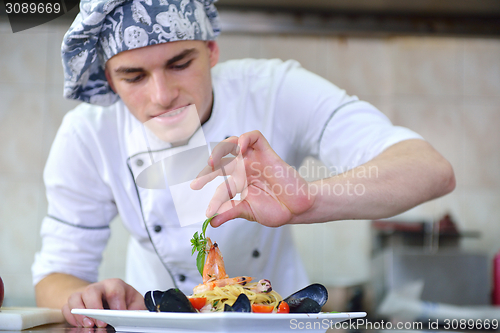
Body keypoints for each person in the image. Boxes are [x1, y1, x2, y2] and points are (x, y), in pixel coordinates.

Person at [32, 0, 455, 328]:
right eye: (133, 76)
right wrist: (87, 298)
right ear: (109, 78)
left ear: (212, 50)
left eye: (180, 64)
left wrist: (309, 200)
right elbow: (56, 275)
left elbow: (429, 169)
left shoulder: (273, 90)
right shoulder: (88, 134)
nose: (161, 95)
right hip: (157, 330)